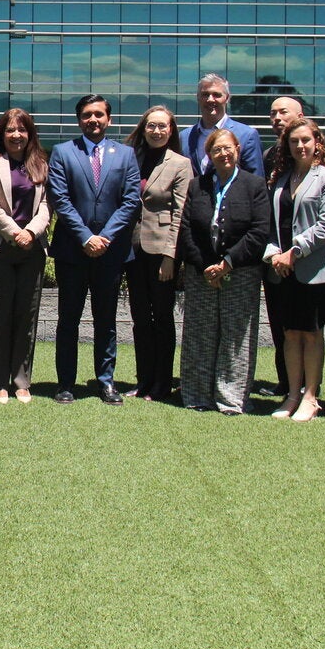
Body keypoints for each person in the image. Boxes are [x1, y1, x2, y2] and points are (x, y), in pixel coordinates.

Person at [47, 94, 141, 405]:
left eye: (99, 114)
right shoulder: (62, 152)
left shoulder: (125, 155)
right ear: (79, 120)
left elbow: (130, 202)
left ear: (109, 119)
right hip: (73, 252)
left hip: (111, 254)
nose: (93, 120)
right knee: (68, 319)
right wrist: (87, 237)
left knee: (106, 320)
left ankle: (106, 382)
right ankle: (65, 383)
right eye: (87, 115)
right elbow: (60, 199)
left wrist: (105, 238)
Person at [177, 129, 271, 415]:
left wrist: (227, 263)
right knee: (199, 334)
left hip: (240, 271)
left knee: (236, 336)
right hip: (201, 271)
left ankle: (231, 398)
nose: (223, 154)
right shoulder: (197, 185)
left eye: (227, 148)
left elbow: (259, 230)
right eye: (216, 149)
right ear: (209, 155)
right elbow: (186, 230)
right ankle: (197, 394)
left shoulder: (254, 185)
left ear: (238, 150)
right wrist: (206, 265)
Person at [263, 118, 325, 422]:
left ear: (317, 143)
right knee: (289, 333)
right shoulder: (281, 178)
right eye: (294, 141)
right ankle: (292, 394)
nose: (300, 146)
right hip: (282, 270)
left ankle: (311, 397)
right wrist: (274, 254)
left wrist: (293, 252)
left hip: (313, 269)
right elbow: (272, 223)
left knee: (311, 333)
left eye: (306, 140)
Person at [0, 108, 51, 404]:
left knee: (25, 317)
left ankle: (21, 380)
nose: (16, 135)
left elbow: (47, 204)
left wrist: (30, 233)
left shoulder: (41, 163)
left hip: (32, 249)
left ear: (30, 133)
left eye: (21, 130)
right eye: (10, 130)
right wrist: (15, 232)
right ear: (1, 134)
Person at [122, 105, 191, 402]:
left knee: (162, 317)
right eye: (151, 125)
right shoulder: (131, 158)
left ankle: (162, 383)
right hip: (132, 249)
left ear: (171, 130)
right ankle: (144, 380)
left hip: (161, 250)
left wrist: (170, 257)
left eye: (163, 126)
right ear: (143, 127)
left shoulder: (180, 163)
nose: (157, 131)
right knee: (140, 317)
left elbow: (180, 213)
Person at [259, 95, 305, 395]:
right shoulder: (269, 156)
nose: (277, 118)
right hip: (273, 254)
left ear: (299, 115)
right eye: (273, 113)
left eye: (283, 112)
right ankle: (286, 382)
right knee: (279, 322)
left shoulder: (310, 156)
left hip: (304, 255)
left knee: (304, 325)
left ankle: (306, 386)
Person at [180, 74, 265, 178]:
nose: (210, 99)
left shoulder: (247, 136)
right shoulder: (184, 137)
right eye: (205, 94)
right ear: (198, 97)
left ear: (227, 98)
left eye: (216, 95)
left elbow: (256, 182)